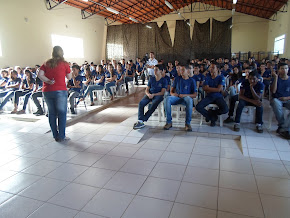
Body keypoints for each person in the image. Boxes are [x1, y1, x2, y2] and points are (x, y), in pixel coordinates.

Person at [38, 46, 72, 142]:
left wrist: (48, 81)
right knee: (61, 114)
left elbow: (40, 75)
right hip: (60, 90)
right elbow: (69, 77)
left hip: (47, 91)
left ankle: (55, 135)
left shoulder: (46, 63)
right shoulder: (64, 64)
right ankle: (61, 136)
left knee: (52, 113)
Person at [164, 65, 197, 131]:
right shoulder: (177, 79)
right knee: (167, 99)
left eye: (183, 70)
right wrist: (173, 94)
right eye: (180, 70)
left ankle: (187, 123)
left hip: (186, 98)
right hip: (177, 98)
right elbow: (171, 91)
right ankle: (169, 122)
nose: (181, 71)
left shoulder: (192, 81)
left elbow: (195, 95)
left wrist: (184, 95)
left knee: (189, 100)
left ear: (187, 71)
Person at [133, 65, 166, 130]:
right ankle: (140, 121)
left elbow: (162, 92)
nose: (155, 71)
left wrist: (154, 94)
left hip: (158, 95)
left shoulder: (163, 80)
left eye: (156, 70)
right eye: (154, 69)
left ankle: (144, 119)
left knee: (153, 104)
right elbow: (147, 89)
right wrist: (148, 94)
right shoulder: (152, 79)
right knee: (141, 103)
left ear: (161, 71)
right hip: (150, 94)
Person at [196, 62, 228, 127]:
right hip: (209, 97)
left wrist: (209, 88)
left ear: (217, 69)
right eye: (210, 67)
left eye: (213, 67)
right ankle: (212, 118)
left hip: (218, 97)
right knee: (198, 107)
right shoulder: (207, 77)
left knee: (225, 109)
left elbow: (219, 89)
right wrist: (216, 89)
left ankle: (212, 113)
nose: (211, 69)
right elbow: (205, 88)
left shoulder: (221, 77)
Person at [270, 63, 290, 139]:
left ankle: (283, 128)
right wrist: (276, 78)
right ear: (278, 70)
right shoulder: (276, 79)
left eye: (286, 68)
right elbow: (274, 92)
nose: (284, 70)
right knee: (275, 102)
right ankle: (283, 127)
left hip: (288, 99)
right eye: (282, 68)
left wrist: (287, 98)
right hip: (277, 99)